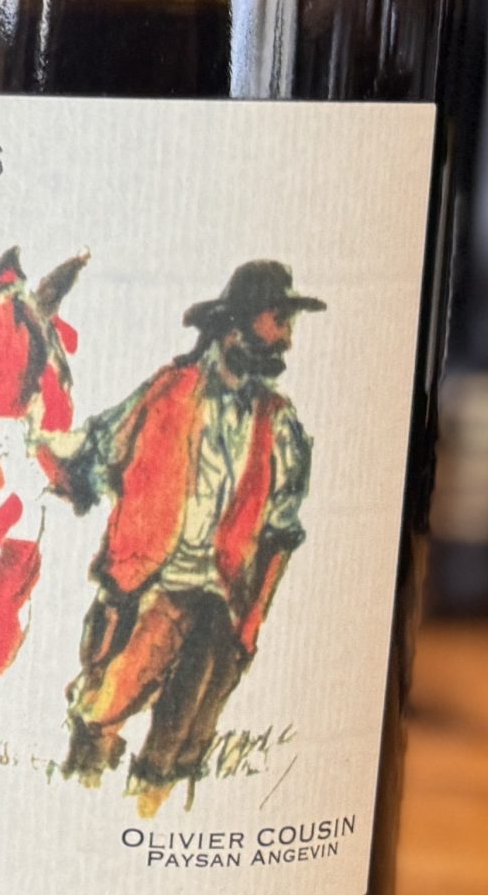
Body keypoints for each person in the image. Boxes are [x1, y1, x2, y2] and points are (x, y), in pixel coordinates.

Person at [46, 261, 318, 813]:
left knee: (177, 748)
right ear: (236, 325)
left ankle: (149, 815)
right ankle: (72, 812)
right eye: (279, 319)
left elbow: (281, 534)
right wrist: (44, 445)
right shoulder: (169, 391)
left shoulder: (279, 422)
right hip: (146, 589)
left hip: (221, 605)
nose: (287, 337)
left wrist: (250, 623)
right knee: (100, 718)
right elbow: (95, 452)